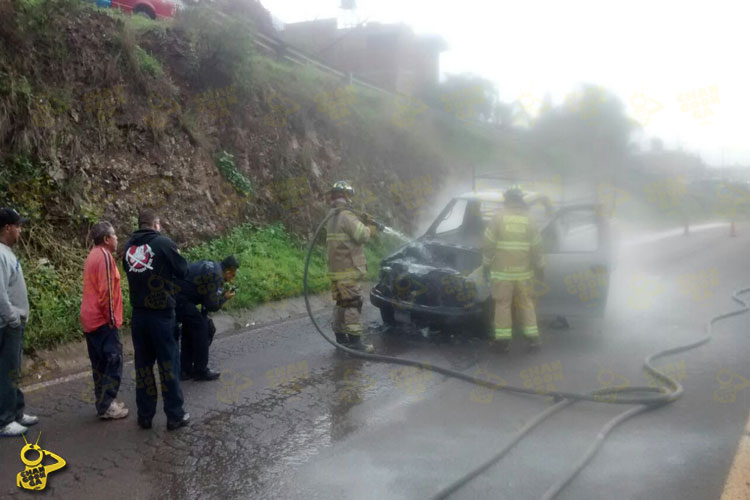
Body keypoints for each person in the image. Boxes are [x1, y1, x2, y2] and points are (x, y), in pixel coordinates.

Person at [123, 210, 190, 431]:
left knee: (143, 367)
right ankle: (174, 416)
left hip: (139, 316)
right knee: (168, 365)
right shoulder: (163, 244)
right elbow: (183, 270)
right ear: (156, 224)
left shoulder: (128, 248)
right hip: (161, 315)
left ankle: (145, 416)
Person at [482, 186, 545, 352]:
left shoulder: (498, 218)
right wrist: (540, 267)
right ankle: (533, 340)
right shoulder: (530, 219)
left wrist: (486, 264)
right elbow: (537, 247)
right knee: (526, 304)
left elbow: (488, 245)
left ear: (507, 199)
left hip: (503, 273)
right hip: (524, 273)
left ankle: (502, 343)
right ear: (521, 200)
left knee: (503, 305)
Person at [80, 221, 128, 420]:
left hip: (90, 318)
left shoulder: (92, 255)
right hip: (102, 320)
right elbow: (106, 292)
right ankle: (107, 405)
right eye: (114, 235)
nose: (117, 238)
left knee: (99, 364)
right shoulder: (105, 257)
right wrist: (112, 320)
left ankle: (103, 402)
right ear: (107, 239)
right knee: (113, 361)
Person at [326, 181, 378, 353]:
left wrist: (360, 220)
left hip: (336, 271)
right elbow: (361, 235)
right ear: (346, 196)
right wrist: (370, 228)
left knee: (342, 303)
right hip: (348, 271)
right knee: (353, 304)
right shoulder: (347, 216)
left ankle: (341, 340)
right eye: (350, 196)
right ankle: (355, 343)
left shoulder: (333, 216)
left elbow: (347, 231)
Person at [0, 208, 38, 437]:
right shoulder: (1, 254)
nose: (20, 231)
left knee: (13, 368)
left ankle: (16, 411)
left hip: (12, 322)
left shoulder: (7, 252)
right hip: (7, 324)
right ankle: (5, 419)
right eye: (18, 226)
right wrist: (13, 318)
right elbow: (0, 292)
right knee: (8, 369)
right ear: (7, 228)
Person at [175, 256, 238, 381]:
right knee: (204, 328)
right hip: (180, 300)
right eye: (233, 275)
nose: (232, 279)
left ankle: (185, 370)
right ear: (228, 272)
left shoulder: (212, 266)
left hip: (176, 296)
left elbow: (205, 299)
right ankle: (200, 370)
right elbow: (211, 305)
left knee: (191, 329)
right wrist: (225, 297)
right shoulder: (217, 276)